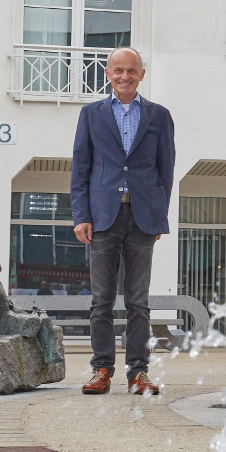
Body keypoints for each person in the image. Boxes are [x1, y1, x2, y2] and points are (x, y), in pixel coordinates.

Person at [71, 46, 176, 396]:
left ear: (141, 74)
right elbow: (81, 169)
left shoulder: (159, 116)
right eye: (118, 71)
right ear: (107, 73)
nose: (125, 77)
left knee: (138, 301)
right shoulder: (91, 114)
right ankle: (101, 369)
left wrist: (158, 217)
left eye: (131, 71)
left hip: (142, 216)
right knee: (101, 299)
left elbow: (166, 170)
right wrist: (81, 215)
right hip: (103, 216)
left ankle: (138, 373)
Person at [0, 246, 63, 365]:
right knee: (43, 321)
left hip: (6, 317)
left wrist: (26, 313)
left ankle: (50, 353)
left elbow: (8, 305)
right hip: (4, 322)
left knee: (38, 317)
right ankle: (50, 354)